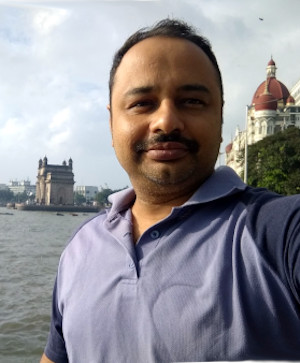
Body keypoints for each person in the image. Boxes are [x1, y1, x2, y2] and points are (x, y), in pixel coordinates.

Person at [41, 19, 300, 363]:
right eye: (142, 103)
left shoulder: (273, 233)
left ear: (220, 116)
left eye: (192, 101)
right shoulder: (79, 249)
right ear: (110, 122)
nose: (166, 121)